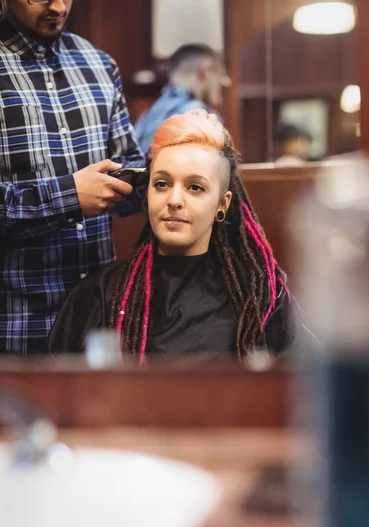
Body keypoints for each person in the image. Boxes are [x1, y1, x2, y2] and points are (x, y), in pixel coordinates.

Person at [49, 110, 316, 363]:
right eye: (162, 184)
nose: (174, 200)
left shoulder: (260, 297)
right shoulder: (99, 296)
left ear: (222, 204)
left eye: (195, 187)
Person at [0, 0, 144, 355]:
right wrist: (69, 198)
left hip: (100, 323)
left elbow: (130, 163)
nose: (58, 6)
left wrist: (172, 168)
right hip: (17, 328)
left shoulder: (100, 64)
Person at [135, 44, 225, 154]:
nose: (222, 83)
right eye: (220, 75)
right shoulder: (200, 116)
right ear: (204, 71)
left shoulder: (149, 114)